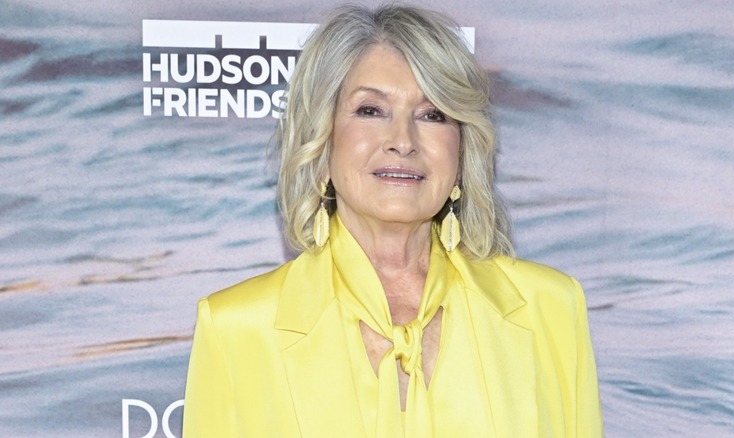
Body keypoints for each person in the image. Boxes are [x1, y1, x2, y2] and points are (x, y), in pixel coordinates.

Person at [182, 4, 603, 437]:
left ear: (461, 153)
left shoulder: (550, 309)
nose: (402, 140)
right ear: (322, 141)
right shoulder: (236, 328)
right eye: (371, 110)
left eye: (432, 114)